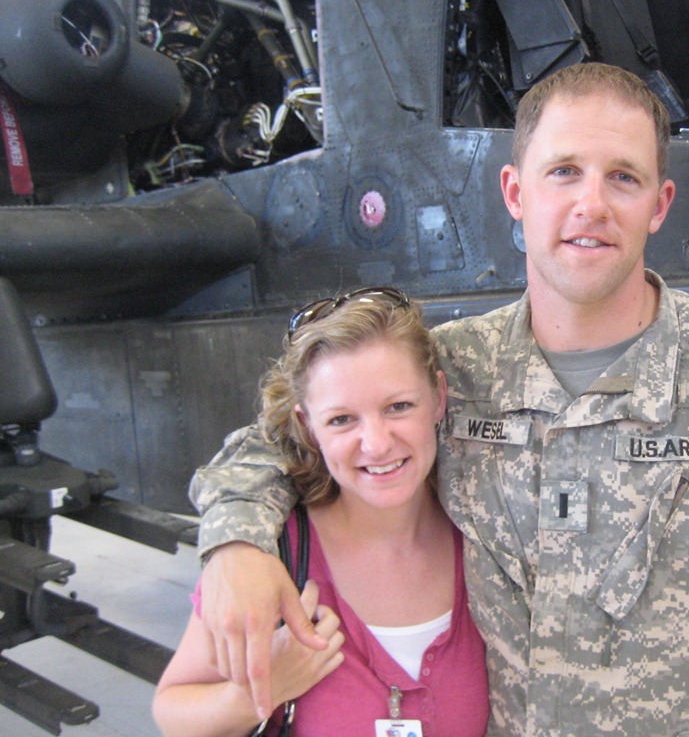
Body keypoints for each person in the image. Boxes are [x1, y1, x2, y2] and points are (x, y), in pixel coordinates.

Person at [189, 62, 689, 737]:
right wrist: (236, 546)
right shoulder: (454, 369)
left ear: (660, 204)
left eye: (622, 178)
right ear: (515, 192)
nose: (591, 205)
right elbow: (284, 438)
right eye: (563, 171)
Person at [154, 288, 489, 737]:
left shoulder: (486, 539)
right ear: (308, 426)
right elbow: (174, 711)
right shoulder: (271, 555)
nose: (377, 444)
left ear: (439, 398)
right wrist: (261, 692)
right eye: (341, 419)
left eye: (399, 406)